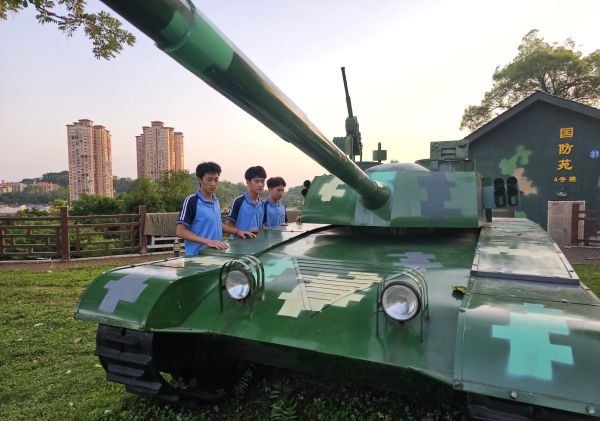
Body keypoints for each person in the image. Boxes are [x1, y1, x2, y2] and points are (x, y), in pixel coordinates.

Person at [176, 162, 255, 254]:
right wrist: (209, 242)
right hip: (197, 257)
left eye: (216, 180)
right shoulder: (191, 201)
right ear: (199, 180)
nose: (213, 184)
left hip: (217, 254)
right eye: (209, 180)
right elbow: (180, 231)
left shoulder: (216, 200)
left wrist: (238, 232)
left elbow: (217, 224)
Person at [226, 166, 266, 238]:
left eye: (262, 181)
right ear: (248, 182)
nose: (260, 185)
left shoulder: (263, 204)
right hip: (239, 243)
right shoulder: (238, 201)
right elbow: (228, 225)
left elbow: (262, 226)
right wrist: (241, 232)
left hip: (257, 243)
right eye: (256, 181)